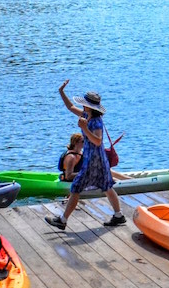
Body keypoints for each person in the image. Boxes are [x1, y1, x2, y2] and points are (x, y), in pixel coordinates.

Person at [46, 82, 125, 229]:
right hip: (97, 160)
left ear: (89, 106)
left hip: (94, 162)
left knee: (76, 187)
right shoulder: (85, 115)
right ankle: (118, 216)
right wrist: (61, 92)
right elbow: (70, 107)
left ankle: (62, 221)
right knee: (107, 187)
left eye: (84, 104)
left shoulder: (96, 122)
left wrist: (84, 128)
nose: (82, 106)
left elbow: (98, 141)